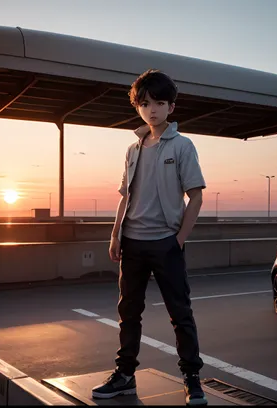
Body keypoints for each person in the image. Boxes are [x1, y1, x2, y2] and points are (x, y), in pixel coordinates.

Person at [91, 69, 207, 406]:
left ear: (171, 107)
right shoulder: (132, 149)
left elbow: (196, 196)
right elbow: (125, 196)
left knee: (180, 313)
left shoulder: (183, 146)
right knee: (128, 312)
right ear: (137, 107)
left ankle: (192, 378)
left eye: (159, 103)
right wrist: (115, 235)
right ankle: (125, 375)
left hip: (166, 243)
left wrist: (179, 240)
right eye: (145, 103)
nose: (151, 110)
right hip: (132, 243)